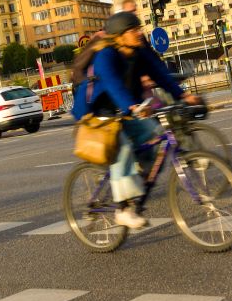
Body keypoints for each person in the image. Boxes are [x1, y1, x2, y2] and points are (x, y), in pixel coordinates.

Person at [72, 12, 202, 229]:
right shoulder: (106, 54)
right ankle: (123, 209)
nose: (139, 33)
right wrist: (132, 106)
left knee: (154, 134)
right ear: (119, 36)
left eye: (139, 28)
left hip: (124, 107)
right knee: (122, 148)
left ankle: (135, 186)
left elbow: (160, 74)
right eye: (133, 30)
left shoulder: (138, 52)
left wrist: (183, 95)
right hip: (98, 109)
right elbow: (113, 84)